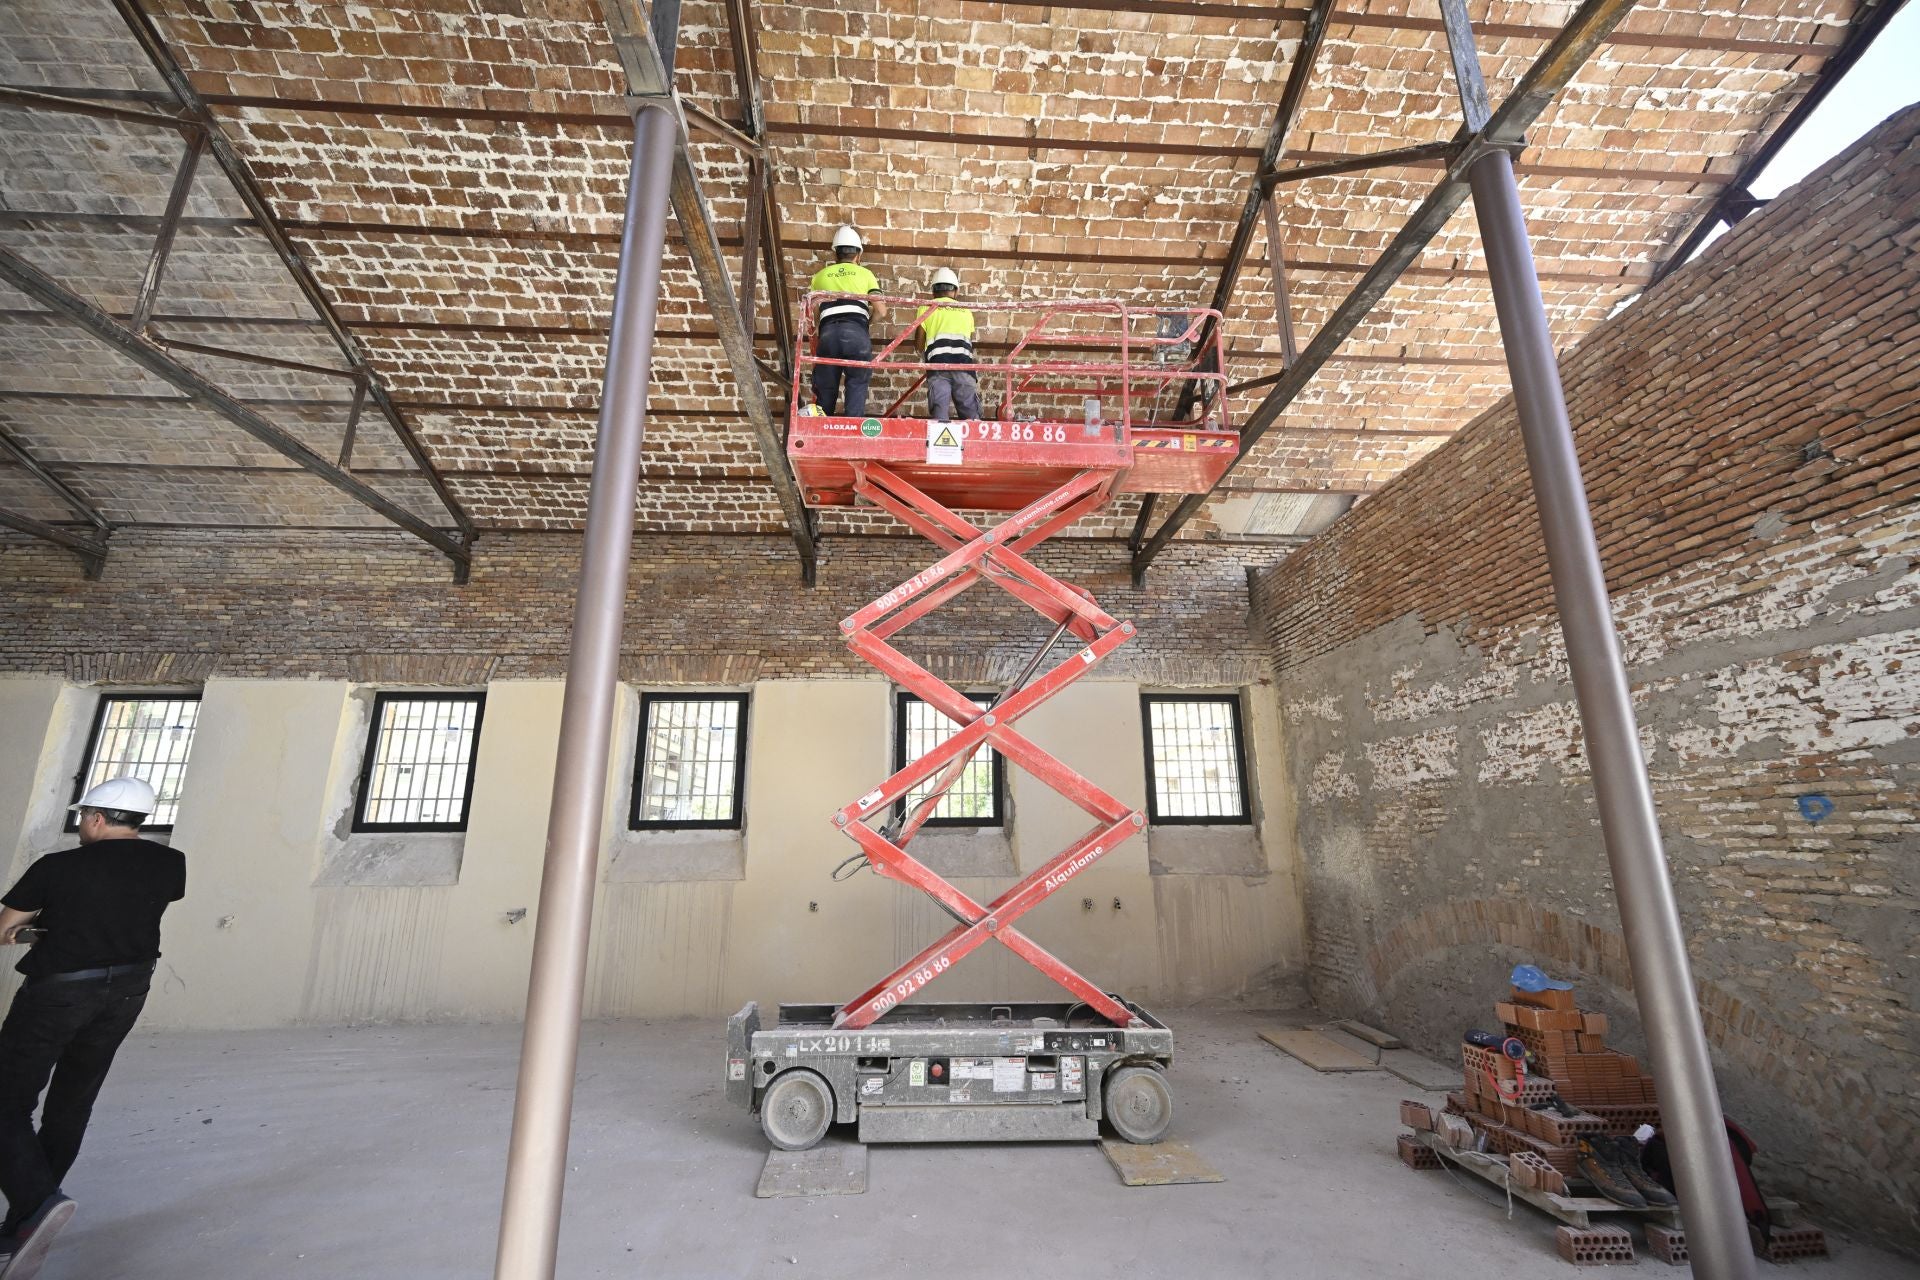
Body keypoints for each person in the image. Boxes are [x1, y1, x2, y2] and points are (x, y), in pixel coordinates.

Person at [0, 777, 185, 1278]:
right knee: (72, 1100)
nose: (81, 824)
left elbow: (4, 929)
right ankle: (24, 1223)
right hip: (127, 989)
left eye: (84, 816)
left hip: (60, 991)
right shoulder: (171, 863)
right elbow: (122, 911)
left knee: (7, 1098)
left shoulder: (58, 866)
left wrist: (31, 932)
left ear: (98, 818)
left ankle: (37, 1202)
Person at [808, 225, 886, 416]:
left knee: (826, 389)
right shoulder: (866, 274)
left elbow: (813, 313)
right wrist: (866, 323)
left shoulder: (819, 276)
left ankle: (823, 432)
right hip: (857, 334)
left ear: (836, 254)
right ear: (858, 254)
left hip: (828, 335)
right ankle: (852, 430)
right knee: (857, 386)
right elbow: (882, 311)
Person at [917, 267, 981, 421]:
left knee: (940, 415)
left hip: (938, 368)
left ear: (933, 291)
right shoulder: (966, 311)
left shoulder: (926, 307)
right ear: (956, 291)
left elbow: (919, 344)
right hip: (964, 368)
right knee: (970, 415)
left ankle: (940, 443)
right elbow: (968, 340)